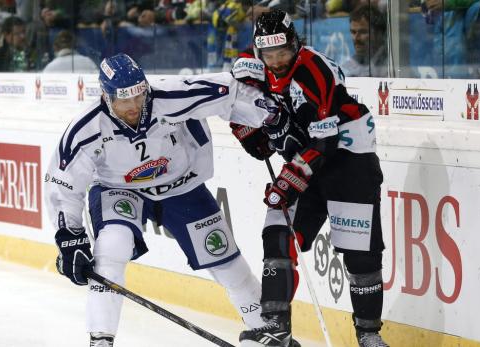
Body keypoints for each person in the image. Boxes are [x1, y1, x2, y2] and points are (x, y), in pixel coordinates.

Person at [45, 53, 280, 347]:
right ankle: (101, 340)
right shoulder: (86, 127)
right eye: (123, 99)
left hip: (181, 186)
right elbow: (62, 184)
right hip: (119, 188)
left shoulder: (172, 94)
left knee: (225, 259)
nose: (133, 106)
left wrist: (269, 113)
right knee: (113, 246)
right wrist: (70, 236)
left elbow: (229, 92)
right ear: (105, 96)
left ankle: (268, 330)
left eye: (139, 95)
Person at [229, 9, 389, 347]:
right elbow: (261, 144)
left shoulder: (314, 71)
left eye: (282, 53)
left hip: (348, 159)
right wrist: (248, 130)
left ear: (295, 45)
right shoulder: (250, 70)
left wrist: (288, 182)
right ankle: (275, 326)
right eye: (268, 54)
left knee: (360, 253)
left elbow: (324, 142)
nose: (275, 61)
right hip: (308, 156)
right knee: (277, 232)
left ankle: (369, 335)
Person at [341, 3, 388, 77]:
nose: (356, 38)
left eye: (363, 32)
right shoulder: (349, 65)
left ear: (379, 34)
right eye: (353, 32)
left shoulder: (391, 66)